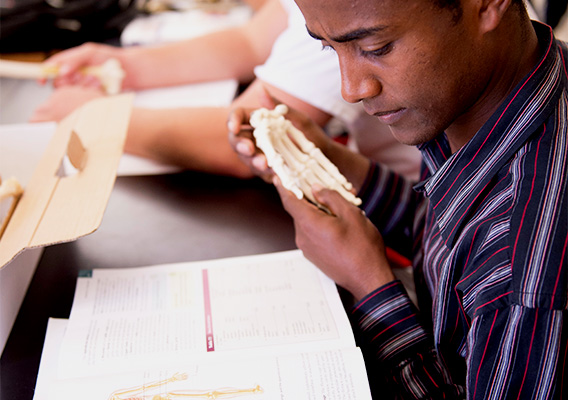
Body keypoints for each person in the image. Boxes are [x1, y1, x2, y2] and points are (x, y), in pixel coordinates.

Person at [228, 0, 568, 398]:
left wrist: (369, 285)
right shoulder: (486, 95)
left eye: (376, 48)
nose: (352, 89)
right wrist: (330, 161)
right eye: (327, 48)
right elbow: (450, 238)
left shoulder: (524, 281)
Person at [30, 0, 420, 180]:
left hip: (414, 224)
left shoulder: (352, 14)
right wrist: (127, 69)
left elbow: (248, 142)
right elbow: (251, 40)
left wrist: (98, 119)